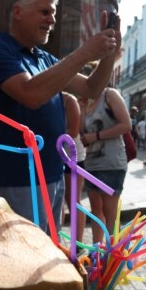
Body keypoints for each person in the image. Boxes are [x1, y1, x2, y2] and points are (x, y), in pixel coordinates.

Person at [0, 0, 120, 231]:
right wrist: (85, 53)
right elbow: (31, 94)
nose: (52, 20)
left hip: (52, 175)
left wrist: (109, 54)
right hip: (20, 178)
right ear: (17, 11)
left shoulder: (43, 57)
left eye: (53, 13)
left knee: (46, 254)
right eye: (45, 11)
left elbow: (91, 88)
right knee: (25, 261)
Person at [82, 87, 130, 244]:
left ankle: (112, 256)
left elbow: (126, 125)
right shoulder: (86, 102)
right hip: (91, 164)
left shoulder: (109, 95)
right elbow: (82, 133)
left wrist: (95, 136)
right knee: (96, 211)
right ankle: (97, 251)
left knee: (110, 214)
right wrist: (81, 107)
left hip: (111, 164)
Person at [61, 92, 86, 243]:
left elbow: (73, 131)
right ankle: (56, 240)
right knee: (58, 200)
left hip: (73, 158)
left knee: (73, 201)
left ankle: (78, 244)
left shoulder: (69, 100)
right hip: (56, 157)